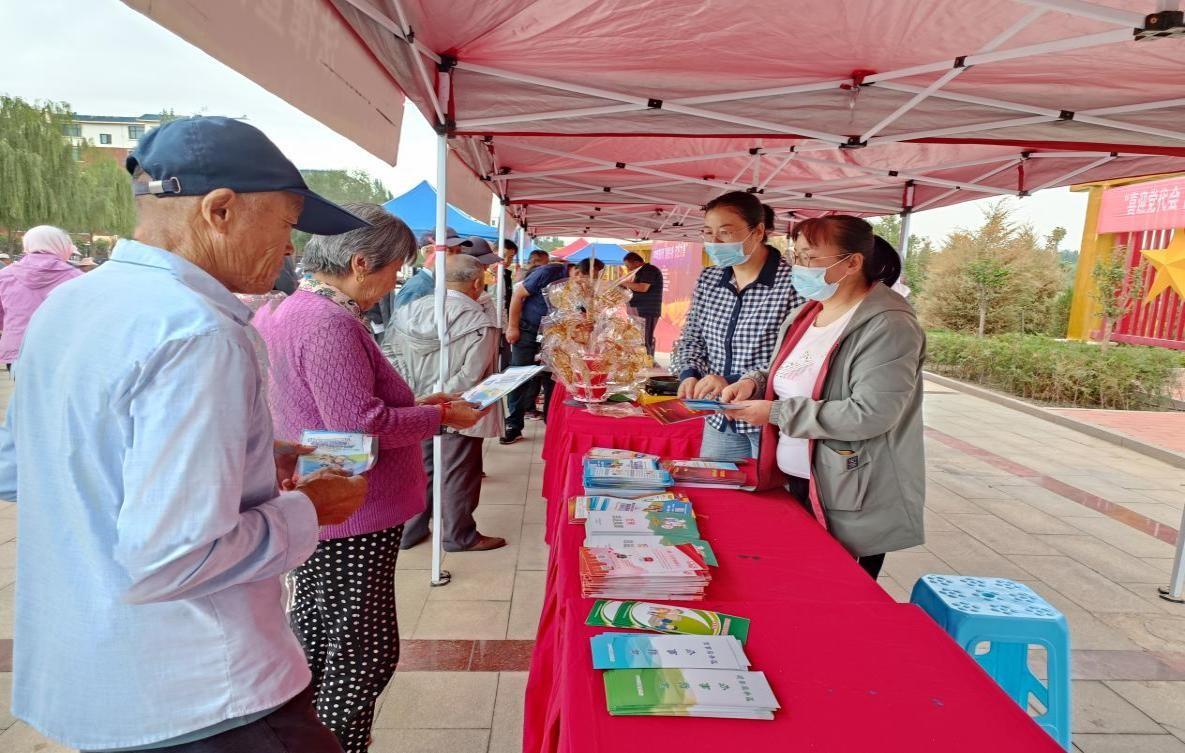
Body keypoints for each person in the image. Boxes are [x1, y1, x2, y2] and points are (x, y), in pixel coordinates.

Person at [0, 116, 372, 752]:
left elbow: (20, 467)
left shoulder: (73, 303)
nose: (290, 250)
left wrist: (245, 457)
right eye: (286, 224)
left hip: (100, 674)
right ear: (220, 210)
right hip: (204, 690)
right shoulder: (201, 332)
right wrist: (309, 509)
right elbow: (178, 555)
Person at [255, 203, 487, 752]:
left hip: (326, 501)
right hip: (350, 510)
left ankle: (312, 738)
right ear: (362, 263)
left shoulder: (294, 310)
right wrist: (438, 416)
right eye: (394, 271)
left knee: (319, 638)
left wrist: (418, 404)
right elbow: (358, 425)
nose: (394, 285)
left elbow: (344, 409)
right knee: (362, 655)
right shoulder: (328, 322)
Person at [720, 216, 926, 580]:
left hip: (850, 495)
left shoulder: (888, 325)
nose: (799, 267)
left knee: (833, 595)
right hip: (799, 481)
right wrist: (753, 383)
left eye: (811, 258)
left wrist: (777, 413)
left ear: (852, 262)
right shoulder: (809, 312)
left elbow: (871, 414)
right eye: (795, 256)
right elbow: (794, 373)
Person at [387, 254, 507, 552]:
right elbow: (471, 374)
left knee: (422, 469)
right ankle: (459, 535)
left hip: (414, 403)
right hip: (457, 410)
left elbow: (389, 355)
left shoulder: (409, 310)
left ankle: (410, 530)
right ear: (477, 284)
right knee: (458, 473)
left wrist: (418, 399)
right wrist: (445, 405)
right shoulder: (479, 321)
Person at [672, 191, 803, 461]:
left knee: (770, 499)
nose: (714, 242)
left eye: (726, 233)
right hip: (719, 418)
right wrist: (689, 373)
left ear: (757, 232)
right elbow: (691, 337)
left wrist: (732, 382)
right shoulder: (709, 279)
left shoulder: (792, 283)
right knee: (719, 495)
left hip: (766, 420)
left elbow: (796, 358)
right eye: (708, 233)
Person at [501, 253, 568, 444]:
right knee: (519, 376)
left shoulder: (584, 288)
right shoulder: (548, 272)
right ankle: (513, 424)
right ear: (575, 270)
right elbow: (518, 295)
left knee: (552, 380)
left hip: (556, 336)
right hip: (527, 332)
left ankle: (552, 423)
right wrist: (512, 327)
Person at [0, 226, 82, 368]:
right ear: (60, 245)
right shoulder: (76, 277)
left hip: (17, 348)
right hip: (60, 348)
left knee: (23, 389)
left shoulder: (4, 275)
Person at [392, 227, 472, 308]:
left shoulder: (439, 284)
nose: (456, 256)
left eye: (459, 251)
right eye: (449, 250)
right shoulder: (416, 289)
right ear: (428, 251)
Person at [621, 251, 664, 356]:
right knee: (637, 337)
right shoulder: (639, 272)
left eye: (628, 266)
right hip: (637, 308)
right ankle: (639, 361)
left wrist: (624, 283)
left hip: (647, 310)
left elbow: (643, 288)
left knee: (644, 338)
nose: (628, 269)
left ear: (636, 262)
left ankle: (646, 361)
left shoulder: (649, 270)